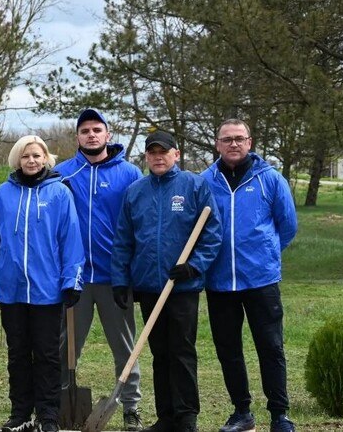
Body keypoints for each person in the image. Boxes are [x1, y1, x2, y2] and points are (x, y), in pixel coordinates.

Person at [111, 130, 222, 432]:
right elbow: (123, 240)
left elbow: (213, 233)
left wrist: (194, 266)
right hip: (149, 286)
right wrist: (121, 280)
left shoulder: (194, 186)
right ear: (146, 157)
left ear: (176, 154)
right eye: (153, 152)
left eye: (164, 152)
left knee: (181, 351)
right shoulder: (135, 192)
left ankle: (186, 417)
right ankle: (167, 417)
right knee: (160, 354)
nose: (158, 157)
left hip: (182, 287)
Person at [0, 135, 85, 432]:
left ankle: (48, 415)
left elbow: (70, 240)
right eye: (26, 156)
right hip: (11, 289)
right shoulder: (2, 194)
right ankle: (21, 413)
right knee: (17, 354)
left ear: (46, 158)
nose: (31, 161)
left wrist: (71, 281)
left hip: (47, 290)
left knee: (48, 355)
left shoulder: (60, 193)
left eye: (37, 155)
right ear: (17, 159)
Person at [201, 119, 298, 432]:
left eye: (239, 138)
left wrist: (265, 254)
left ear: (249, 142)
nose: (233, 144)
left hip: (261, 281)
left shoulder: (270, 178)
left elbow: (288, 225)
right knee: (228, 350)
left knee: (271, 347)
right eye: (227, 139)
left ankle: (279, 415)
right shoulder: (204, 181)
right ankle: (242, 412)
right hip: (219, 282)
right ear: (217, 144)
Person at [54, 109, 144, 431]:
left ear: (108, 134)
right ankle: (58, 404)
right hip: (75, 278)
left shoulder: (130, 174)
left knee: (124, 346)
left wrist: (130, 272)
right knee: (66, 347)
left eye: (97, 130)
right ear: (77, 137)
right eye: (85, 130)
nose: (91, 135)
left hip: (114, 277)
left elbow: (139, 223)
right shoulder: (62, 174)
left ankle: (131, 406)